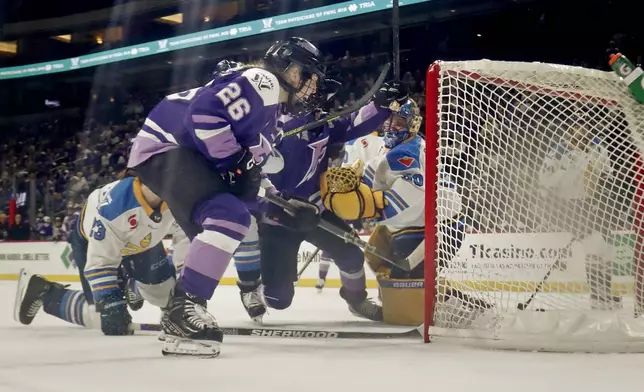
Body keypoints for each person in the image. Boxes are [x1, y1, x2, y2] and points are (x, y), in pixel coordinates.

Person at [127, 37, 327, 357]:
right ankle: (184, 310)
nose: (312, 85)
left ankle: (169, 302)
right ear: (289, 69)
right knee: (229, 216)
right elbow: (205, 114)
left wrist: (281, 207)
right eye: (309, 75)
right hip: (170, 148)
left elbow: (249, 182)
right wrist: (233, 162)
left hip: (179, 154)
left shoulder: (272, 114)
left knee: (230, 218)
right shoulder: (264, 81)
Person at [232, 83, 406, 323]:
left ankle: (357, 301)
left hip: (315, 211)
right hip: (278, 217)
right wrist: (271, 210)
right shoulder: (269, 123)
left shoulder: (323, 123)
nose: (318, 96)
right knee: (278, 300)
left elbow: (354, 122)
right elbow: (249, 176)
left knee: (351, 256)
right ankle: (253, 286)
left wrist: (382, 105)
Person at [14, 174, 183, 336]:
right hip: (93, 241)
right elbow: (101, 262)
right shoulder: (114, 209)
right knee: (99, 317)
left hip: (143, 240)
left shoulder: (184, 200)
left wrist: (189, 292)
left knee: (164, 292)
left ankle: (133, 285)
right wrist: (110, 302)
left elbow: (190, 243)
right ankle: (45, 293)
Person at [537, 120, 620, 310]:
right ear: (569, 133)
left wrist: (604, 190)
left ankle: (603, 292)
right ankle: (598, 295)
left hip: (595, 203)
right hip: (569, 205)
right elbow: (544, 181)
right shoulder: (557, 152)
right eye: (575, 132)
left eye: (584, 132)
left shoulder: (598, 147)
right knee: (595, 245)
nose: (580, 136)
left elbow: (607, 173)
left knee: (604, 249)